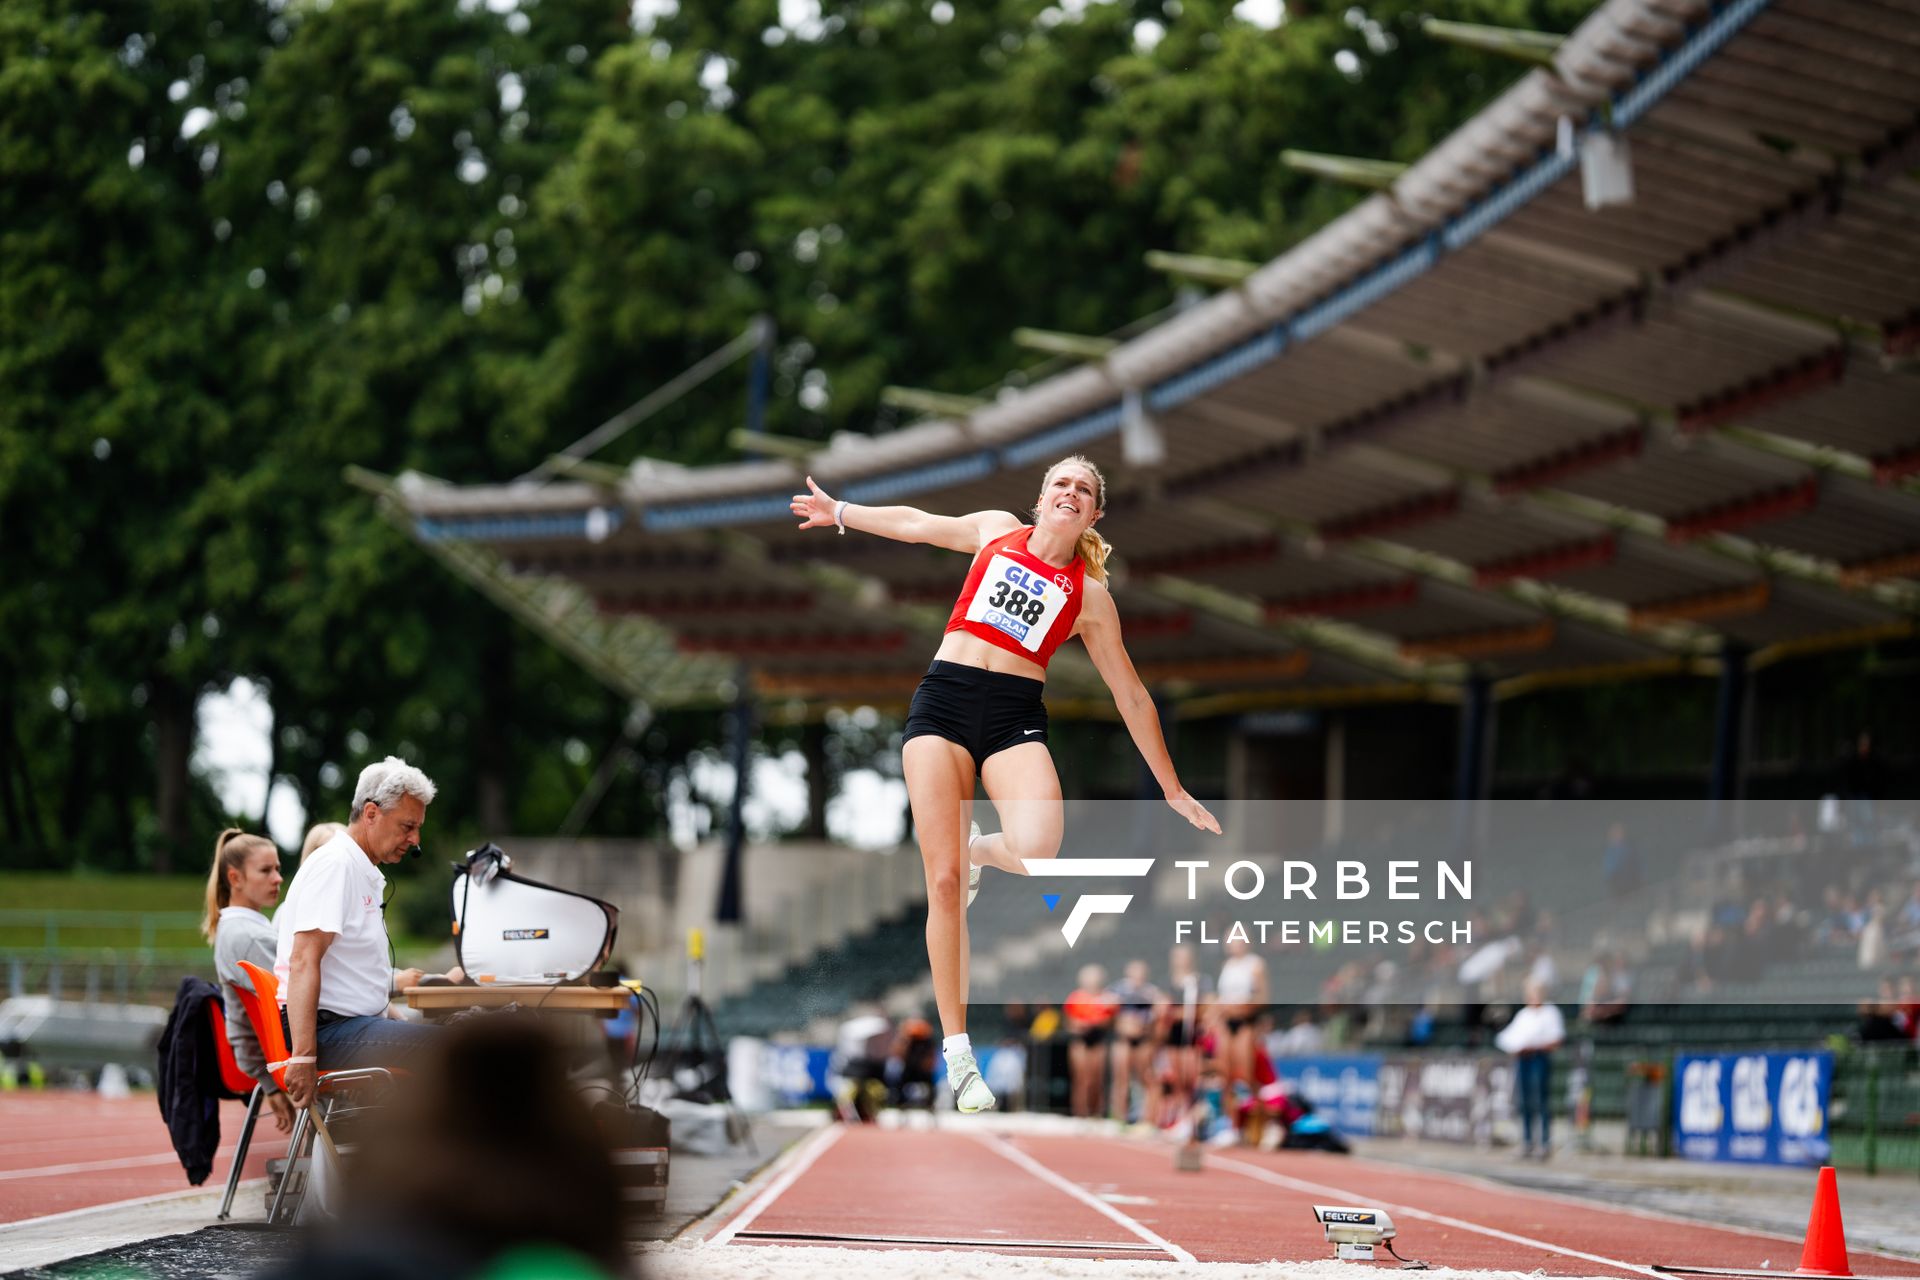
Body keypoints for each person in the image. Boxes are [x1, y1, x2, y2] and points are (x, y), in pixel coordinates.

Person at [790, 457, 1222, 1113]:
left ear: (1094, 515)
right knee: (940, 882)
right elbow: (915, 525)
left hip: (1015, 714)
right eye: (1062, 484)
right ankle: (959, 1054)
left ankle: (982, 851)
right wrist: (842, 513)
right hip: (944, 702)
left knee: (1040, 846)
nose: (1071, 493)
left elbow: (1131, 696)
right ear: (1042, 498)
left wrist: (1171, 787)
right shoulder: (996, 532)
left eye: (1084, 490)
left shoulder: (1090, 598)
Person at [274, 757, 461, 1111]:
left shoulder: (359, 869)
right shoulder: (337, 866)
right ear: (371, 813)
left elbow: (353, 974)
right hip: (327, 1030)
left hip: (345, 1024)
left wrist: (398, 1020)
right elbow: (303, 961)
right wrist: (303, 1057)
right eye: (407, 826)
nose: (415, 840)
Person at [203, 828, 296, 1136]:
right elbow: (311, 990)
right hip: (288, 1059)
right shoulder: (250, 938)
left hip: (276, 1060)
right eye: (266, 870)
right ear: (235, 878)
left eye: (278, 869)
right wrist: (269, 1082)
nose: (278, 878)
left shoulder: (239, 930)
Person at [1495, 977, 1565, 1160]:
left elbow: (1556, 1039)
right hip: (1523, 1059)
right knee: (1524, 1102)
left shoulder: (1550, 1012)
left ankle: (1544, 1143)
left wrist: (1535, 1046)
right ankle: (1527, 1142)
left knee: (1540, 1101)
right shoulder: (1523, 1015)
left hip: (1539, 1058)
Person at [1216, 934, 1268, 1132]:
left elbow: (1262, 997)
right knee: (1226, 1076)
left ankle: (1256, 1124)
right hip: (1227, 1022)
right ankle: (1231, 1126)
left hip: (1245, 1021)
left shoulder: (1255, 964)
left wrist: (1243, 1008)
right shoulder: (1227, 965)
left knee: (1245, 1076)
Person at [1106, 959, 1162, 1124]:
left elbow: (1159, 1011)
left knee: (1145, 1077)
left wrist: (1144, 1027)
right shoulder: (1117, 990)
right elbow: (1105, 1009)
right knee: (1120, 1079)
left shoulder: (1151, 992)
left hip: (1143, 1040)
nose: (1138, 977)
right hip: (1123, 1040)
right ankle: (1118, 1118)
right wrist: (1121, 1022)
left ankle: (1147, 1119)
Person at [1063, 964, 1115, 1119]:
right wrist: (1081, 1025)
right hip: (1081, 1041)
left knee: (1096, 1079)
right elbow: (1070, 1022)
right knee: (1081, 1079)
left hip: (1098, 1040)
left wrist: (1096, 1022)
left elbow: (1110, 1021)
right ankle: (1080, 1113)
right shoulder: (1075, 998)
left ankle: (1096, 1112)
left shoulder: (1107, 998)